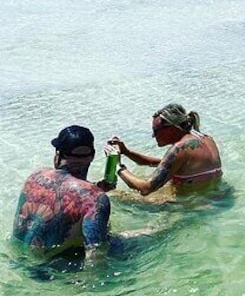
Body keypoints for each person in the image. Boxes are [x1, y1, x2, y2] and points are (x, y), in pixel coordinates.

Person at [12, 125, 113, 265]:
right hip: (51, 274)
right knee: (142, 237)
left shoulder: (34, 176)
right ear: (93, 155)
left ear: (58, 155)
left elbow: (62, 187)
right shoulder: (95, 198)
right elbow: (96, 256)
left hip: (15, 261)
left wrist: (94, 187)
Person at [109, 103, 222, 196]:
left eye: (155, 130)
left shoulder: (180, 148)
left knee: (117, 197)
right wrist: (127, 152)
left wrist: (116, 166)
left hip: (191, 206)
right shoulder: (206, 138)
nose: (153, 135)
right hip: (214, 198)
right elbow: (164, 164)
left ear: (171, 129)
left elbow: (145, 189)